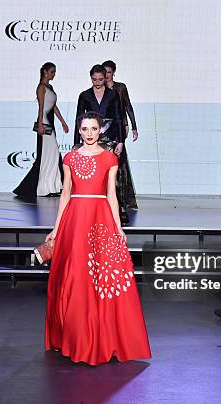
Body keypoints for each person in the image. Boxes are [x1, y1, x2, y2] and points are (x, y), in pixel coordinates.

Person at [44, 112, 151, 365]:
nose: (89, 133)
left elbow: (111, 195)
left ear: (99, 130)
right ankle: (75, 336)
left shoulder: (109, 158)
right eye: (85, 129)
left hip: (100, 220)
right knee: (75, 277)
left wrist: (118, 227)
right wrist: (56, 228)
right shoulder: (69, 157)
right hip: (74, 221)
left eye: (93, 128)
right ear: (79, 131)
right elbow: (65, 194)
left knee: (100, 278)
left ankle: (103, 337)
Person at [74, 65, 128, 222]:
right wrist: (76, 143)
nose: (97, 82)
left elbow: (118, 117)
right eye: (94, 79)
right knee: (94, 175)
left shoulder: (112, 94)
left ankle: (117, 209)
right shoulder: (84, 95)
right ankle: (93, 212)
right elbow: (78, 119)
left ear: (106, 77)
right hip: (90, 138)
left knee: (112, 174)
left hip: (110, 138)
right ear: (90, 77)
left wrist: (121, 141)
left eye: (100, 79)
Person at [14, 62, 69, 197]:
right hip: (44, 123)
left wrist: (63, 122)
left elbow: (53, 106)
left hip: (51, 124)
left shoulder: (50, 87)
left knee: (53, 155)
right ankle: (45, 187)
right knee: (47, 155)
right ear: (45, 72)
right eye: (52, 72)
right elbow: (41, 107)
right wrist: (40, 125)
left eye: (54, 72)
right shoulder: (41, 88)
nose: (54, 74)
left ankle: (53, 186)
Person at [102, 60, 138, 210]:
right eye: (104, 72)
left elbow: (128, 106)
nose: (106, 75)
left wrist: (134, 126)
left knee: (119, 159)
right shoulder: (99, 89)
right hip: (104, 129)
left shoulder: (120, 87)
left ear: (113, 72)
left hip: (120, 126)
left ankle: (121, 197)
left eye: (109, 72)